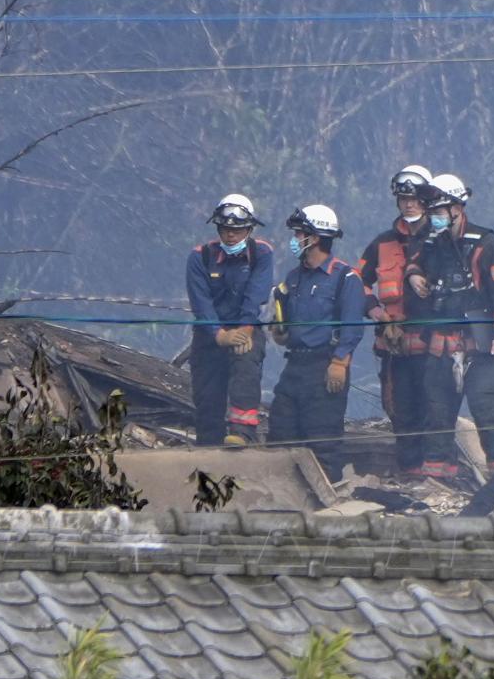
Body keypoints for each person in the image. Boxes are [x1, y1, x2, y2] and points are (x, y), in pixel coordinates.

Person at [419, 171, 494, 511]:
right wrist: (415, 276)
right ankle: (437, 479)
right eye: (431, 209)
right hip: (442, 341)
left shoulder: (486, 243)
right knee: (437, 408)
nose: (434, 215)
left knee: (488, 408)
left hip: (480, 343)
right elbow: (416, 265)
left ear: (457, 208)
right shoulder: (431, 242)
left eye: (440, 208)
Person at [358, 165, 445, 478]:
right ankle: (410, 473)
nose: (408, 204)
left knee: (433, 408)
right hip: (394, 349)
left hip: (432, 346)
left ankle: (435, 472)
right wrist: (378, 314)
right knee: (400, 409)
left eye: (415, 199)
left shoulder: (440, 241)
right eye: (403, 198)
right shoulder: (382, 243)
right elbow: (358, 282)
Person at [269, 204, 365, 465]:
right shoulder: (293, 278)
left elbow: (353, 325)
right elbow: (283, 325)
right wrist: (278, 329)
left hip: (325, 367)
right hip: (295, 366)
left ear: (316, 237)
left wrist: (340, 362)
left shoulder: (346, 278)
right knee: (281, 433)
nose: (295, 239)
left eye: (300, 234)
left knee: (323, 439)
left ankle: (326, 498)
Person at [182, 194, 279, 447]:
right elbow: (200, 302)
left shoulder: (261, 253)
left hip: (245, 327)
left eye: (237, 230)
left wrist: (245, 328)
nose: (230, 236)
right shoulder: (200, 257)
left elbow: (256, 293)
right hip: (209, 334)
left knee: (246, 373)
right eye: (225, 230)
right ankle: (209, 444)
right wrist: (218, 334)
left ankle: (242, 432)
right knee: (207, 394)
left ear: (249, 229)